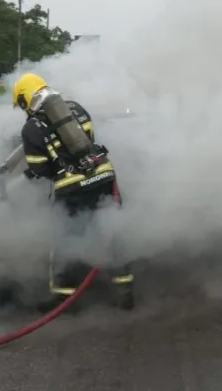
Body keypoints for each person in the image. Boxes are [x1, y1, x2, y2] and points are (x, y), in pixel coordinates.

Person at [12, 72, 134, 306]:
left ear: (24, 99)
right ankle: (124, 291)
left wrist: (32, 175)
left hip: (72, 189)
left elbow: (41, 168)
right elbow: (88, 140)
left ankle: (64, 297)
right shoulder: (76, 108)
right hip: (105, 177)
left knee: (66, 240)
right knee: (113, 231)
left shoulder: (31, 128)